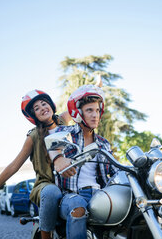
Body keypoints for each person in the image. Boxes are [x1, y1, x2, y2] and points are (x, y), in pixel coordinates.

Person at [0, 90, 71, 239]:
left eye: (44, 104)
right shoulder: (33, 136)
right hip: (47, 184)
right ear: (33, 116)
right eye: (37, 108)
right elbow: (14, 165)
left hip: (71, 181)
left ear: (52, 105)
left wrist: (95, 87)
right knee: (51, 192)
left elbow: (79, 105)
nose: (42, 108)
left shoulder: (63, 121)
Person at [49, 85, 117, 239]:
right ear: (78, 113)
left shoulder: (103, 143)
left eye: (97, 110)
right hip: (72, 195)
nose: (95, 115)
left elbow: (115, 172)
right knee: (77, 206)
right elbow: (53, 146)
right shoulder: (65, 133)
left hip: (100, 194)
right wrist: (58, 159)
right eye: (89, 110)